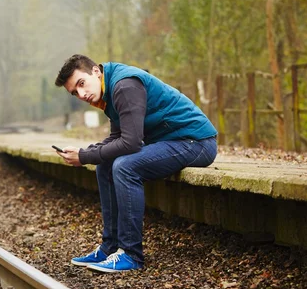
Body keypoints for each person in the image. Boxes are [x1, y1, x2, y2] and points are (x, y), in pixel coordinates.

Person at [54, 54, 217, 273]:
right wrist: (87, 153)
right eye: (75, 92)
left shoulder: (124, 86)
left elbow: (130, 143)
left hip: (196, 142)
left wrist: (84, 157)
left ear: (95, 71)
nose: (81, 94)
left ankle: (131, 254)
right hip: (172, 141)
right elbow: (118, 137)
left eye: (81, 84)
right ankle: (109, 248)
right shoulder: (109, 90)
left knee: (124, 166)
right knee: (105, 164)